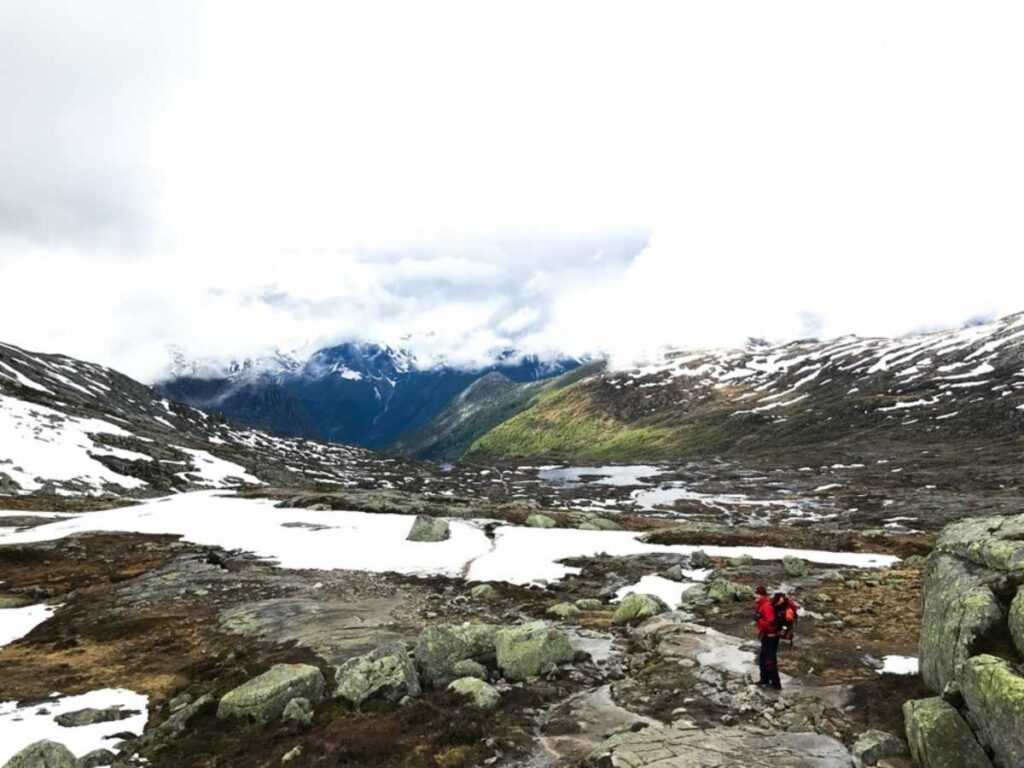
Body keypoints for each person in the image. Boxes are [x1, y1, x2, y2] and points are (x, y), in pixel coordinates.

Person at [754, 585, 782, 689]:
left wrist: (758, 620)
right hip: (766, 635)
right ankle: (764, 679)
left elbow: (770, 623)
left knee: (770, 660)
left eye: (757, 594)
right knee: (763, 658)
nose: (755, 596)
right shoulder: (762, 604)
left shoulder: (766, 606)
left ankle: (776, 684)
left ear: (761, 595)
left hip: (772, 637)